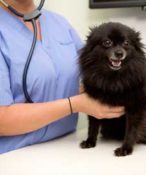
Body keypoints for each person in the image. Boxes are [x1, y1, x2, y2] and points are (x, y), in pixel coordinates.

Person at [0, 0, 125, 154]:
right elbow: (2, 120)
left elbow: (90, 75)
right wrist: (73, 105)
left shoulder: (59, 24)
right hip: (14, 155)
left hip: (67, 147)